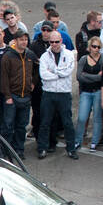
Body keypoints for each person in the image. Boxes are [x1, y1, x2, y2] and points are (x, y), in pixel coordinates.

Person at [37, 30, 76, 159]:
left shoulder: (69, 55)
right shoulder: (44, 56)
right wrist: (59, 73)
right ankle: (42, 148)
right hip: (49, 93)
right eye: (52, 42)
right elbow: (44, 75)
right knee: (45, 122)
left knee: (67, 123)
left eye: (57, 41)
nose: (54, 44)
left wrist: (53, 71)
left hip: (64, 93)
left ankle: (71, 148)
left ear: (61, 41)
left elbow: (68, 71)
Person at [0, 30, 37, 157]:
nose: (24, 42)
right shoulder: (8, 56)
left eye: (26, 39)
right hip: (12, 97)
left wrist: (33, 83)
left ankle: (19, 150)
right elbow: (4, 78)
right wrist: (8, 96)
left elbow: (37, 69)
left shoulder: (30, 55)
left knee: (22, 126)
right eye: (21, 39)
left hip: (26, 97)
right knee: (8, 126)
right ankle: (6, 151)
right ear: (15, 41)